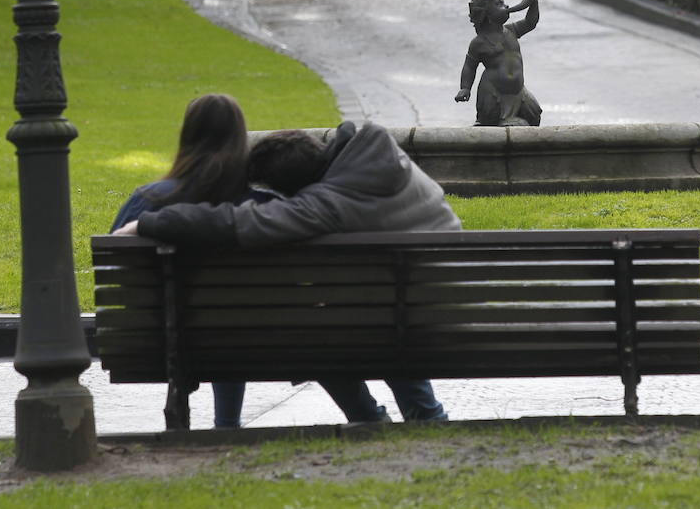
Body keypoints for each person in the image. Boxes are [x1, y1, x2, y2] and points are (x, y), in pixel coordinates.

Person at [115, 120, 459, 423]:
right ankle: (425, 417)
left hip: (402, 313)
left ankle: (369, 417)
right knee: (381, 310)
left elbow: (240, 223)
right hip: (443, 298)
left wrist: (147, 222)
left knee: (320, 333)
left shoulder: (323, 205)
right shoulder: (377, 148)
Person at [109, 93, 275, 429]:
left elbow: (114, 265)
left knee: (203, 319)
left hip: (158, 336)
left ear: (186, 137)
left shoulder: (147, 200)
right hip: (254, 339)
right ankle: (227, 424)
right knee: (231, 315)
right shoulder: (262, 205)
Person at [455, 0, 541, 127]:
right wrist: (465, 88)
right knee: (501, 123)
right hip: (494, 92)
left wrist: (533, 5)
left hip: (518, 91)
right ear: (486, 14)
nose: (506, 6)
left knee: (534, 115)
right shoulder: (479, 43)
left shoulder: (511, 30)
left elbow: (530, 22)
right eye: (499, 4)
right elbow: (469, 66)